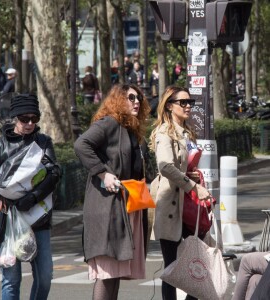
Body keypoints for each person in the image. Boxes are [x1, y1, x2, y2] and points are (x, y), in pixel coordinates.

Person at [74, 83, 151, 300]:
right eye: (131, 98)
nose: (137, 102)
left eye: (139, 99)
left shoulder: (129, 128)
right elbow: (82, 145)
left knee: (115, 272)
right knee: (107, 272)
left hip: (126, 206)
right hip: (108, 208)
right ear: (118, 100)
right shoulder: (109, 123)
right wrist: (103, 173)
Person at [0, 94, 61, 300]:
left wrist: (32, 198)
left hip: (37, 218)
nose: (30, 123)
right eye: (25, 119)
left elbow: (54, 173)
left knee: (45, 277)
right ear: (15, 118)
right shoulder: (0, 144)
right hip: (6, 221)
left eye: (34, 119)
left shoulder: (43, 142)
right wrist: (5, 202)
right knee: (11, 280)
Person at [149, 86, 211, 300]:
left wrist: (192, 176)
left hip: (190, 207)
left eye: (190, 103)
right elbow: (165, 166)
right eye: (182, 102)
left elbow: (181, 165)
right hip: (172, 207)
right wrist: (193, 185)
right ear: (169, 105)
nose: (188, 106)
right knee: (172, 268)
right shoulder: (165, 132)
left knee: (196, 264)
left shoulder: (187, 130)